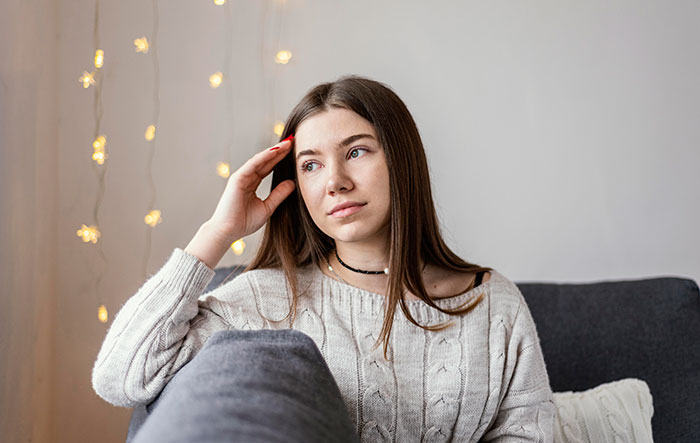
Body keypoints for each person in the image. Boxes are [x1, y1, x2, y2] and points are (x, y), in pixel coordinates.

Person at [92, 74, 556, 442]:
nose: (335, 181)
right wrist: (218, 233)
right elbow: (120, 378)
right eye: (310, 164)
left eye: (356, 152)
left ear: (403, 160)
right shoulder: (266, 299)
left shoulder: (492, 302)